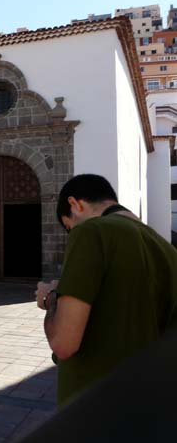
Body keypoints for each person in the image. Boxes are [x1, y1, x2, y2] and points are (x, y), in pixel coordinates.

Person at [36, 173, 177, 405]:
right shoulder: (167, 251)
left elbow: (63, 343)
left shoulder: (92, 231)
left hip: (94, 410)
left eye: (69, 228)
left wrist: (50, 297)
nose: (72, 234)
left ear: (75, 204)